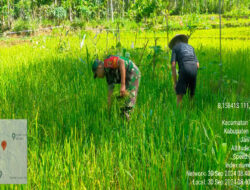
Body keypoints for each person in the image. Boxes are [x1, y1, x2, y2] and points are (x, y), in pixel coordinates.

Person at [92, 55, 141, 119]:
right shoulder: (108, 76)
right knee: (121, 100)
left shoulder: (107, 62)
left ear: (99, 67)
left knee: (129, 103)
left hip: (132, 72)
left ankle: (129, 122)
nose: (98, 76)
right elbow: (110, 95)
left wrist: (123, 85)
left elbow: (121, 62)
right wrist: (108, 113)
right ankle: (123, 120)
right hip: (127, 77)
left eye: (96, 74)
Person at [169, 34, 199, 106]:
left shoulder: (175, 48)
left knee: (179, 96)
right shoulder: (191, 47)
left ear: (174, 43)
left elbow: (173, 65)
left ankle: (179, 114)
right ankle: (192, 111)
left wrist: (175, 83)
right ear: (182, 40)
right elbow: (197, 64)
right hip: (194, 68)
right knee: (191, 95)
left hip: (184, 68)